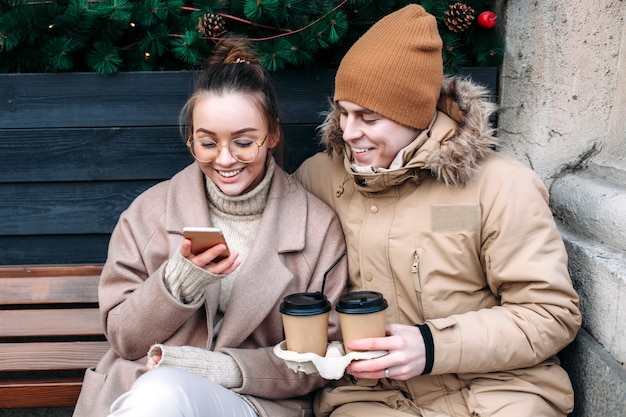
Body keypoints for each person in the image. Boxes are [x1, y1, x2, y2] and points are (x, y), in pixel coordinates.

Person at [294, 5, 582, 417]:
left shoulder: (501, 187)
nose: (348, 131)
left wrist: (432, 346)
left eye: (368, 117)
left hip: (500, 389)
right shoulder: (319, 180)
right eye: (343, 112)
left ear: (414, 114)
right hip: (373, 397)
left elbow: (550, 314)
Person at [72, 37, 347, 417]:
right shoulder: (148, 213)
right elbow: (124, 338)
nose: (225, 159)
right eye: (208, 143)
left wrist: (221, 370)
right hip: (140, 391)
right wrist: (179, 281)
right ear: (191, 140)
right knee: (159, 393)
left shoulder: (316, 228)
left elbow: (323, 359)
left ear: (273, 135)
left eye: (244, 142)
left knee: (164, 392)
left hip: (253, 403)